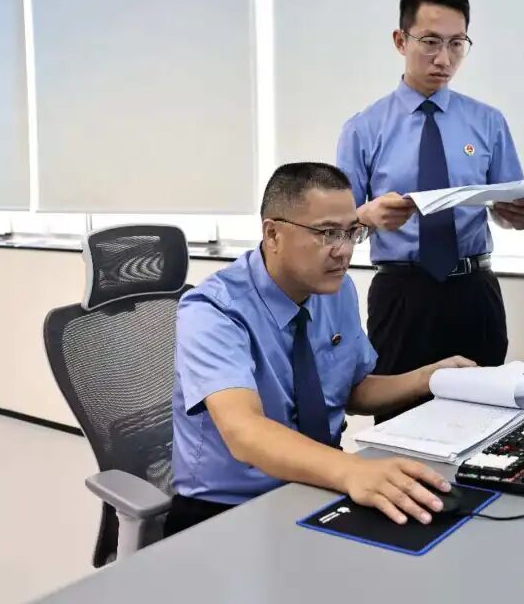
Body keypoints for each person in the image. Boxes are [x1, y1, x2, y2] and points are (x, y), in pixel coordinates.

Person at [167, 162, 475, 536]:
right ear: (273, 234)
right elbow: (244, 432)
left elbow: (352, 391)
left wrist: (431, 377)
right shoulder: (212, 310)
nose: (344, 251)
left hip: (318, 485)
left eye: (351, 233)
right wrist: (354, 470)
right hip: (226, 510)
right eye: (328, 234)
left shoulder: (335, 290)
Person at [336, 0, 524, 421]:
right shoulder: (363, 128)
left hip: (474, 291)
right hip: (402, 295)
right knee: (400, 421)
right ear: (400, 40)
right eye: (430, 42)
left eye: (456, 44)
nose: (444, 59)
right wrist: (366, 215)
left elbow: (509, 212)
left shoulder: (488, 122)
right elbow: (337, 230)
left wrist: (516, 214)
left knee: (486, 420)